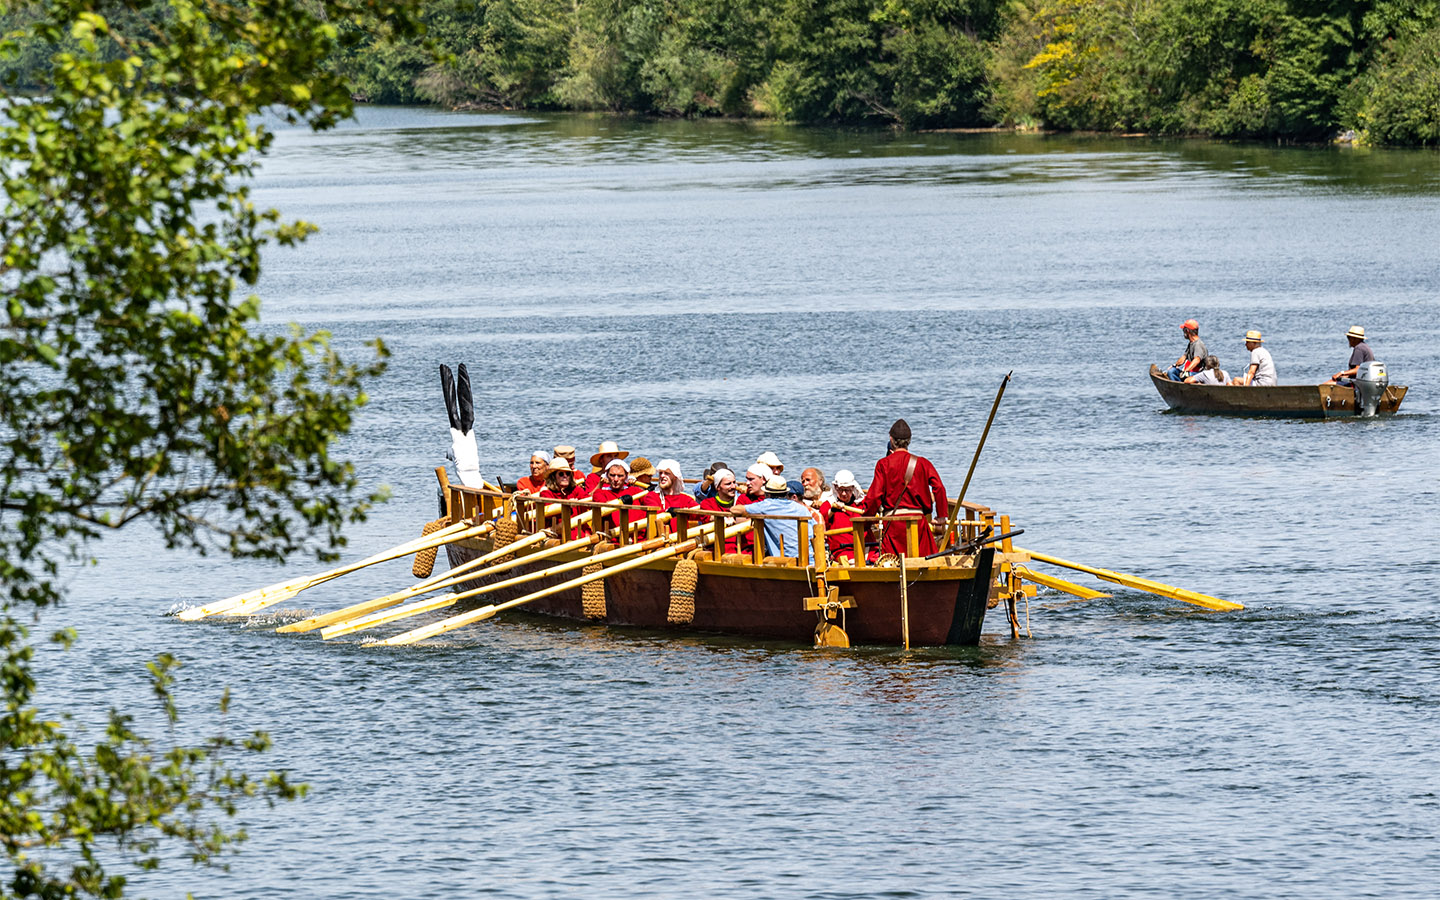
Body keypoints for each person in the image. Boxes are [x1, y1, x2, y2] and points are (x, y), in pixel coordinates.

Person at [862, 418, 948, 557]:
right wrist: (941, 516)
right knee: (924, 564)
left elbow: (875, 496)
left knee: (893, 565)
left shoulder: (883, 464)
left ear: (891, 439)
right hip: (918, 524)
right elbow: (939, 488)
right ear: (909, 440)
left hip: (894, 526)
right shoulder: (922, 463)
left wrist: (867, 520)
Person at [735, 477, 812, 558]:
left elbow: (736, 510)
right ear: (785, 493)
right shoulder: (801, 508)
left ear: (768, 494)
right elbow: (814, 528)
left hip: (786, 558)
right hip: (810, 557)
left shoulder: (766, 505)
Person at [695, 468, 750, 555]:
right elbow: (711, 518)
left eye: (734, 482)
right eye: (728, 484)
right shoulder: (707, 503)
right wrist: (725, 520)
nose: (733, 487)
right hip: (717, 549)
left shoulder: (742, 500)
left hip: (741, 549)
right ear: (718, 487)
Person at [818, 469, 866, 562]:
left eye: (847, 490)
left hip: (865, 546)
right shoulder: (828, 504)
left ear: (853, 488)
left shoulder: (861, 504)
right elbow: (823, 520)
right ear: (835, 487)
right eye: (840, 490)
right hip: (842, 549)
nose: (844, 493)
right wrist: (832, 510)